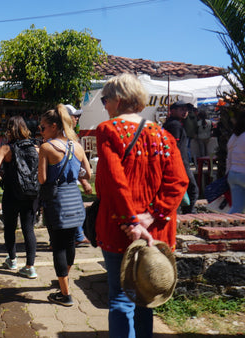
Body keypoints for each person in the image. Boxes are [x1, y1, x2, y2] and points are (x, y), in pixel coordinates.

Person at [97, 73, 188, 337]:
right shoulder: (163, 135)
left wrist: (133, 222)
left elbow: (115, 183)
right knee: (146, 298)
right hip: (155, 232)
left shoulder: (109, 130)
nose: (104, 106)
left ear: (120, 100)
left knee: (120, 299)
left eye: (105, 99)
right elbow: (179, 182)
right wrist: (150, 217)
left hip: (120, 228)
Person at [38, 104, 91, 306]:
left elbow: (42, 179)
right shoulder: (76, 146)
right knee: (70, 244)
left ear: (53, 126)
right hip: (75, 201)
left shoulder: (46, 148)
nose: (41, 131)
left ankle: (65, 294)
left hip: (56, 203)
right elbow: (88, 173)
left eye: (43, 127)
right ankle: (64, 280)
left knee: (58, 247)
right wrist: (73, 173)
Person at [0, 116, 39, 278]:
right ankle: (30, 267)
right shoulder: (35, 148)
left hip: (12, 193)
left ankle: (12, 260)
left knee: (10, 228)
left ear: (9, 130)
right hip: (31, 193)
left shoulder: (6, 149)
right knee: (29, 229)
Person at [163, 100, 199, 214]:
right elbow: (174, 146)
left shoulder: (173, 123)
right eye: (181, 109)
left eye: (186, 109)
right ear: (172, 111)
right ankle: (188, 213)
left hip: (179, 162)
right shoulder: (175, 125)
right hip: (180, 163)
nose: (185, 112)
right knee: (192, 189)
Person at [66, 104, 92, 246]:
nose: (77, 118)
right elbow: (75, 163)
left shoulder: (67, 133)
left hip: (67, 181)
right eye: (75, 116)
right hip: (68, 181)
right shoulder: (67, 136)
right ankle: (78, 236)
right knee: (77, 209)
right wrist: (85, 182)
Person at [227, 110, 245, 214]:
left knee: (236, 209)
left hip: (233, 174)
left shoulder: (235, 136)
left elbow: (228, 157)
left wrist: (227, 172)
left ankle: (228, 228)